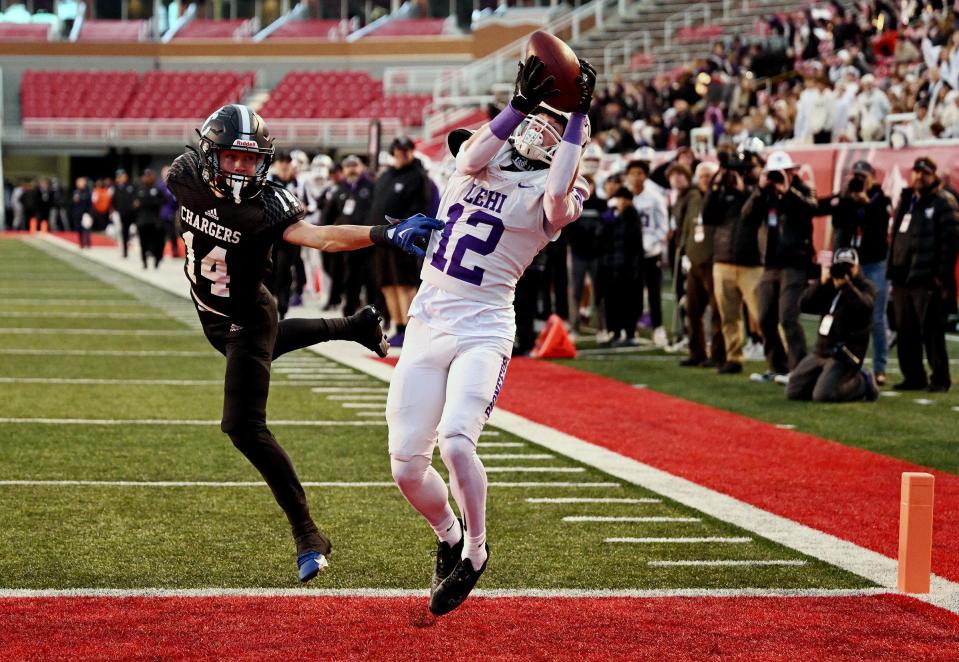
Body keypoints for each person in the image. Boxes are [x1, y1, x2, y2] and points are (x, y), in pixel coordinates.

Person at [164, 104, 443, 583]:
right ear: (212, 154)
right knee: (260, 352)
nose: (240, 168)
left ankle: (307, 533)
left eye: (250, 160)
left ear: (264, 162)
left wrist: (384, 232)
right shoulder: (186, 175)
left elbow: (325, 238)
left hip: (247, 316)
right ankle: (355, 326)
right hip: (215, 312)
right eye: (231, 157)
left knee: (243, 426)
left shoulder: (269, 204)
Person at [386, 55, 594, 615]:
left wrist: (577, 119)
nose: (536, 129)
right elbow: (475, 149)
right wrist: (515, 105)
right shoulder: (474, 163)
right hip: (428, 321)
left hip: (484, 325)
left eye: (550, 128)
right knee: (406, 465)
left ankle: (476, 551)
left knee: (456, 442)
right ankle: (448, 534)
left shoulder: (555, 192)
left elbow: (556, 197)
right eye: (535, 120)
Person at [817, 160, 892, 384]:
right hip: (849, 265)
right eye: (855, 176)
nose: (859, 180)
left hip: (873, 263)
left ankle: (880, 368)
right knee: (837, 312)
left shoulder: (881, 200)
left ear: (872, 178)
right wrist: (844, 197)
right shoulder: (846, 199)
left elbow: (881, 227)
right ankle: (832, 360)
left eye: (863, 176)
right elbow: (833, 217)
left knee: (876, 317)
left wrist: (866, 204)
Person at [888, 157, 959, 392]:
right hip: (902, 277)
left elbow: (951, 242)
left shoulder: (943, 202)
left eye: (924, 173)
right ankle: (913, 376)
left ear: (933, 175)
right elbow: (896, 238)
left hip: (927, 278)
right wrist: (892, 269)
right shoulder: (907, 200)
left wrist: (941, 275)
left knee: (931, 331)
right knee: (905, 330)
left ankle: (940, 378)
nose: (919, 177)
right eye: (916, 172)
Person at [745, 150, 816, 384]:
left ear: (792, 172)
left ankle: (799, 370)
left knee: (788, 316)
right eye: (774, 173)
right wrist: (759, 189)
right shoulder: (765, 194)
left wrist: (788, 191)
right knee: (765, 317)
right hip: (771, 263)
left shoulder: (802, 190)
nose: (778, 176)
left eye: (783, 172)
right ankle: (777, 366)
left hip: (795, 262)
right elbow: (746, 218)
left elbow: (811, 209)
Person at [703, 141, 765, 374]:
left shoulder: (759, 188)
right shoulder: (724, 189)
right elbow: (708, 215)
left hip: (750, 261)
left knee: (762, 315)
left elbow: (756, 209)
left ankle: (779, 359)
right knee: (728, 315)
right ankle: (734, 357)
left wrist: (743, 190)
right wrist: (716, 183)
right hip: (724, 258)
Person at [786, 248, 879, 402]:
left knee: (824, 396)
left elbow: (865, 307)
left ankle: (862, 382)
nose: (845, 271)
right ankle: (824, 380)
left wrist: (846, 287)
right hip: (821, 351)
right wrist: (820, 283)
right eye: (841, 266)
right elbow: (805, 305)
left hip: (846, 355)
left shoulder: (866, 286)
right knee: (794, 391)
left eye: (848, 266)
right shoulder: (829, 286)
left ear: (857, 267)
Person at [369, 136, 434, 347]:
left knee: (405, 283)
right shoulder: (385, 176)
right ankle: (398, 326)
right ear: (393, 151)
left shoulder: (418, 176)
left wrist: (404, 229)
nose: (403, 153)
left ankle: (410, 328)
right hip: (382, 238)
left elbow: (420, 207)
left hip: (404, 238)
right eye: (399, 150)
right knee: (387, 284)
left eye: (407, 150)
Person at [678, 161, 725, 367]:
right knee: (692, 310)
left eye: (709, 175)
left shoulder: (720, 196)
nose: (706, 179)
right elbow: (687, 225)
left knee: (717, 311)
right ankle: (697, 352)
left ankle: (717, 355)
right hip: (694, 260)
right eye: (703, 175)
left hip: (713, 260)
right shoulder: (692, 197)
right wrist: (684, 252)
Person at [323, 154, 378, 316]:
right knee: (350, 276)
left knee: (371, 278)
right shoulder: (339, 189)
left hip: (369, 240)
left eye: (355, 165)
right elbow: (328, 214)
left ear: (362, 167)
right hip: (347, 242)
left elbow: (378, 210)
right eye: (348, 166)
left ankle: (374, 311)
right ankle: (350, 311)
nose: (352, 169)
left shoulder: (372, 186)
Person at [625, 159, 669, 346]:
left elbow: (663, 226)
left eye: (640, 173)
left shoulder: (655, 197)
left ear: (646, 175)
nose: (636, 177)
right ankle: (632, 328)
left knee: (654, 292)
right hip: (631, 254)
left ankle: (658, 328)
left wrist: (651, 244)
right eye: (633, 173)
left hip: (651, 253)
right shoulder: (626, 197)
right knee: (632, 293)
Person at [597, 186, 643, 344]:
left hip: (627, 266)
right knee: (613, 300)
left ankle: (629, 333)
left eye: (624, 199)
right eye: (620, 199)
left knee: (628, 301)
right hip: (612, 265)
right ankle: (615, 332)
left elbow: (633, 241)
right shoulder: (612, 216)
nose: (622, 202)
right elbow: (602, 237)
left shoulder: (631, 216)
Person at [133, 169, 167, 270]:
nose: (147, 178)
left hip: (154, 221)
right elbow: (134, 204)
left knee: (157, 243)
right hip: (142, 221)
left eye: (149, 176)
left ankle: (157, 259)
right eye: (145, 176)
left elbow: (164, 200)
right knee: (143, 243)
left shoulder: (156, 189)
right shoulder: (139, 189)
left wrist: (148, 203)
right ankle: (144, 262)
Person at [111, 170, 137, 258]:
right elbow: (113, 201)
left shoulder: (131, 186)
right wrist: (113, 211)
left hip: (131, 213)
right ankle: (124, 250)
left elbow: (135, 198)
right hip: (121, 213)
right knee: (123, 232)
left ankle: (135, 247)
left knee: (133, 230)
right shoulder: (116, 188)